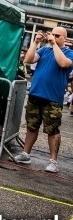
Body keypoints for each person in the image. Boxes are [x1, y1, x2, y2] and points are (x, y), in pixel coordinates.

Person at [13, 27, 73, 173]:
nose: (53, 37)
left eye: (57, 35)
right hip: (35, 94)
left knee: (52, 130)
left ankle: (53, 161)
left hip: (52, 98)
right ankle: (25, 154)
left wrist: (54, 45)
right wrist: (35, 42)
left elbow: (63, 64)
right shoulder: (44, 50)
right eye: (52, 34)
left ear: (64, 38)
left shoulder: (69, 53)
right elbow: (28, 59)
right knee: (31, 126)